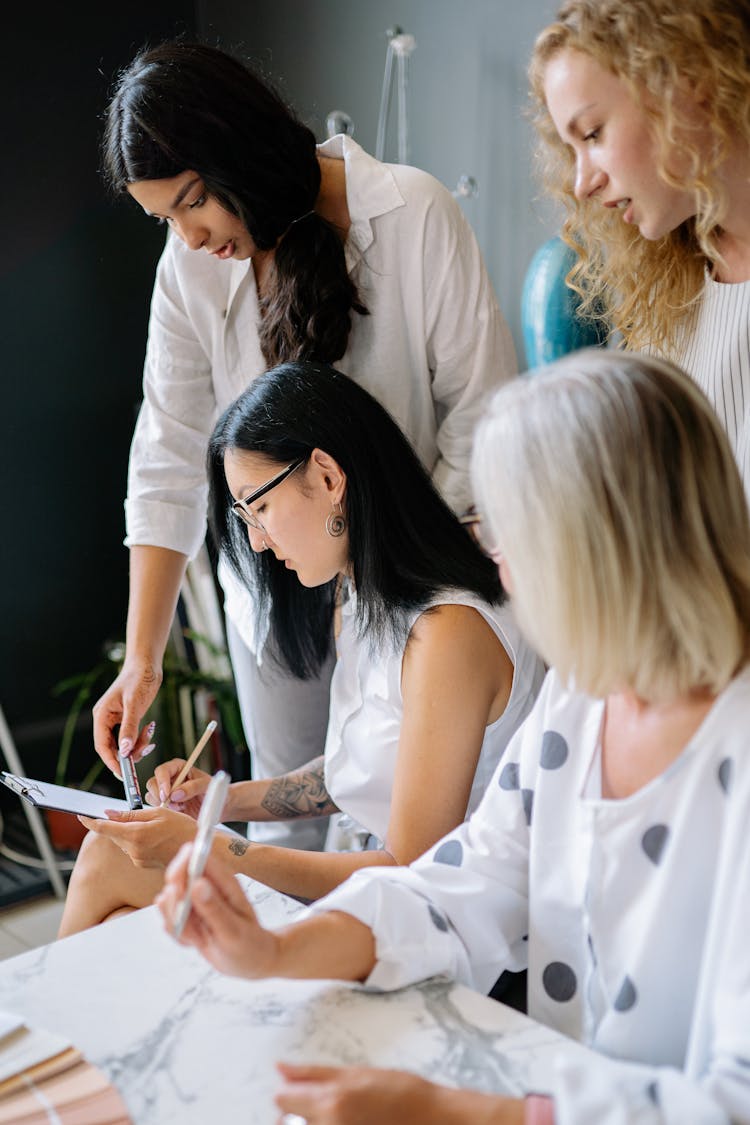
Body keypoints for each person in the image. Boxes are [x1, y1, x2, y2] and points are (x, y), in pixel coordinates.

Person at [158, 350, 750, 1123]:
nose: (496, 565)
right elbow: (456, 884)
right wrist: (276, 951)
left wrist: (464, 1112)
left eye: (511, 537)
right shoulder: (584, 702)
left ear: (603, 547)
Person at [93, 38, 518, 852]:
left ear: (234, 148)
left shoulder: (414, 214)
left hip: (411, 586)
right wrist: (142, 658)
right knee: (284, 841)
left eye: (190, 203)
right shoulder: (190, 272)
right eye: (163, 220)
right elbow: (169, 453)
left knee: (410, 836)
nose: (187, 237)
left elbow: (482, 415)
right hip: (277, 604)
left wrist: (386, 568)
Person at [57, 361, 544, 937]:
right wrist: (217, 801)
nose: (257, 544)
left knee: (108, 872)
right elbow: (356, 771)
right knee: (119, 909)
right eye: (244, 518)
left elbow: (411, 871)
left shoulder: (448, 634)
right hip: (371, 893)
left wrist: (209, 846)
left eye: (258, 508)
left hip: (430, 923)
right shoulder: (362, 597)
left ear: (329, 476)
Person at [528, 0, 750, 494]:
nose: (582, 183)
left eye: (592, 133)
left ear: (684, 79)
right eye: (573, 150)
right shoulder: (669, 293)